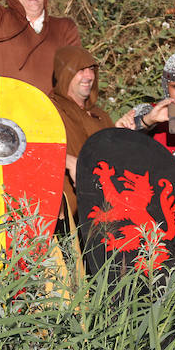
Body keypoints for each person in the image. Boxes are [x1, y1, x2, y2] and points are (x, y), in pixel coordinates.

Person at [47, 46, 116, 220]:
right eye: (80, 70)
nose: (88, 76)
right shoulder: (49, 110)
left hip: (104, 212)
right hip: (65, 214)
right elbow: (29, 148)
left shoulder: (101, 116)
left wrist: (144, 122)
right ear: (64, 73)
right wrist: (69, 161)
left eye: (91, 69)